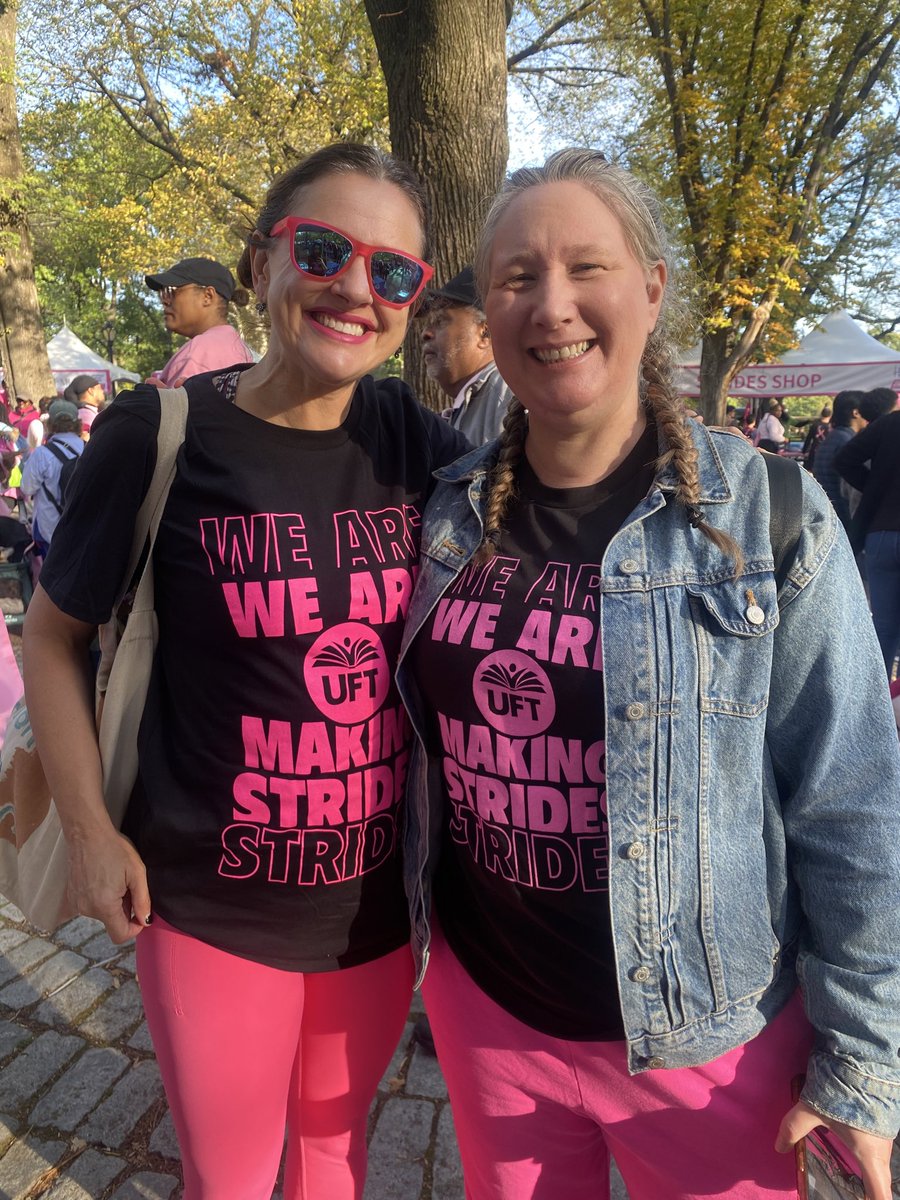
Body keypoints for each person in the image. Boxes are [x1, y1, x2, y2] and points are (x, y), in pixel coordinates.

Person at [396, 149, 900, 1200]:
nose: (553, 305)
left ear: (654, 287)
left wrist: (864, 1059)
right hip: (490, 1015)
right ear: (488, 308)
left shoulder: (768, 517)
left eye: (588, 266)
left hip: (707, 1045)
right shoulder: (440, 513)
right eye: (518, 277)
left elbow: (851, 801)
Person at [22, 142, 469, 1200]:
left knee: (333, 1162)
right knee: (227, 1178)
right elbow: (49, 635)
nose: (357, 288)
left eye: (394, 271)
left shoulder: (420, 444)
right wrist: (90, 834)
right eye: (323, 248)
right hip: (208, 902)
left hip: (373, 907)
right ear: (261, 262)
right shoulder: (158, 432)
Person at [835, 403, 900, 677]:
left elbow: (843, 460)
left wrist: (875, 487)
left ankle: (879, 707)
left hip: (880, 534)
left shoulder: (890, 423)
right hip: (880, 530)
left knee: (883, 629)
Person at [420, 265, 513, 444]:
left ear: (485, 333)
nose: (426, 333)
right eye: (428, 324)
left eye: (440, 321)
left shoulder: (505, 394)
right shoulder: (476, 401)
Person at [145, 256, 255, 386]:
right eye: (162, 293)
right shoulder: (239, 348)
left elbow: (178, 405)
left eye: (171, 291)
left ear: (207, 296)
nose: (164, 301)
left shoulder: (198, 353)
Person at [19, 398, 84, 556]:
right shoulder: (88, 449)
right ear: (77, 423)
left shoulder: (42, 453)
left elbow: (27, 488)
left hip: (50, 527)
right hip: (82, 525)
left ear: (50, 424)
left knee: (53, 578)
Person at [812, 389, 864, 531]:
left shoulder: (832, 437)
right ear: (856, 413)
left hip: (828, 513)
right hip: (842, 518)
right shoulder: (848, 442)